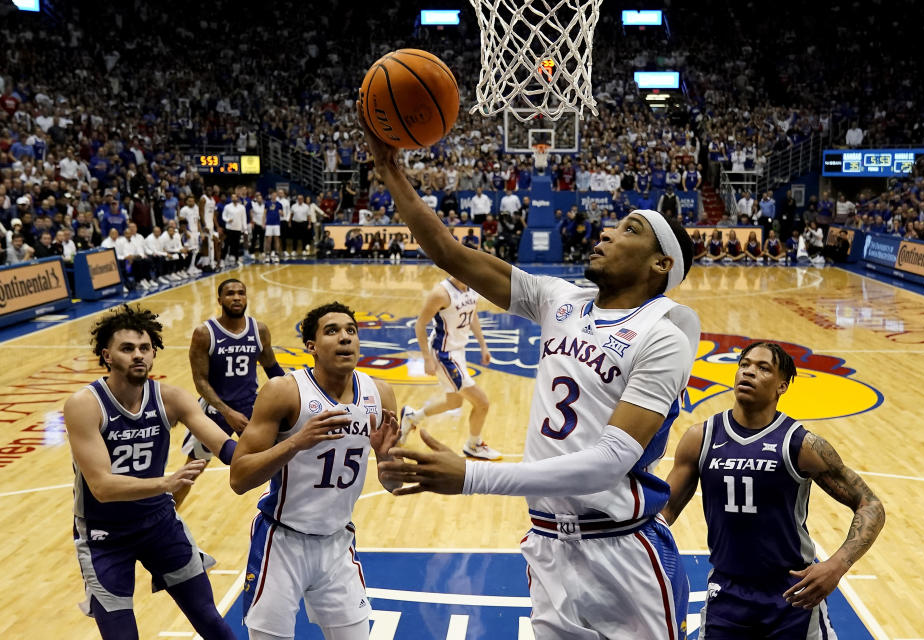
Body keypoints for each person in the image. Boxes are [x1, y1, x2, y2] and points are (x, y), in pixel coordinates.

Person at [361, 107, 700, 640]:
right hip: (545, 543)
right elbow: (451, 253)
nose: (607, 233)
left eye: (629, 230)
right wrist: (392, 172)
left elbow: (608, 464)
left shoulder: (664, 335)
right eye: (613, 225)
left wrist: (473, 477)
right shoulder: (560, 299)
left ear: (661, 265)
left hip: (622, 550)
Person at [661, 342, 884, 638]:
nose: (749, 372)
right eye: (745, 365)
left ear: (782, 386)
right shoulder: (700, 438)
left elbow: (870, 504)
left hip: (792, 593)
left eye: (763, 368)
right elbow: (664, 514)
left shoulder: (801, 445)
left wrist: (837, 565)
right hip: (727, 592)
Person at [62, 305, 238, 640]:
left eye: (145, 348)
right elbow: (102, 486)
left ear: (154, 353)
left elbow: (227, 449)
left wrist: (286, 447)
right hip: (104, 536)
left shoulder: (171, 398)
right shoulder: (84, 404)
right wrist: (165, 483)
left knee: (212, 622)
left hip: (161, 526)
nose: (138, 355)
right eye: (127, 349)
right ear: (107, 355)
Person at [230, 302, 402, 640]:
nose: (345, 338)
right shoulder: (284, 392)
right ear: (311, 347)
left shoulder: (379, 394)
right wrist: (296, 442)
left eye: (351, 331)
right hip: (281, 542)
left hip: (338, 543)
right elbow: (238, 477)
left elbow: (392, 484)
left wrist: (386, 460)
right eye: (332, 331)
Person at [174, 279, 286, 506]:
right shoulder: (204, 333)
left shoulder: (259, 330)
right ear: (220, 300)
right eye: (230, 293)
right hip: (215, 410)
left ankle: (283, 510)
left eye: (241, 293)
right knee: (192, 470)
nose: (236, 297)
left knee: (278, 462)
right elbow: (200, 381)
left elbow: (272, 367)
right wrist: (227, 412)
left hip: (251, 408)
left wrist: (296, 393)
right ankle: (167, 516)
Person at [401, 276, 499, 460]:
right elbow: (420, 325)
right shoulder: (441, 293)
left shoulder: (472, 286)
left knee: (454, 402)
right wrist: (427, 358)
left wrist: (483, 345)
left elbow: (473, 315)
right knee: (482, 402)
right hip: (444, 354)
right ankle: (474, 445)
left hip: (458, 351)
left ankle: (412, 417)